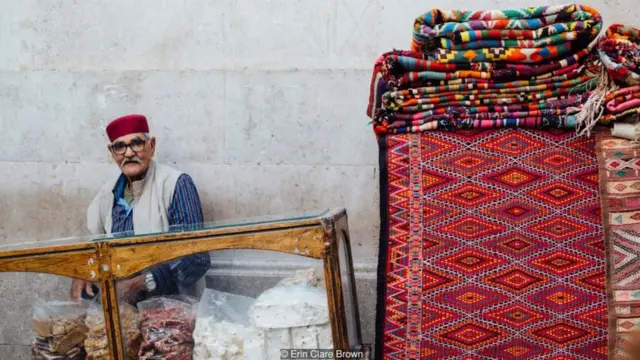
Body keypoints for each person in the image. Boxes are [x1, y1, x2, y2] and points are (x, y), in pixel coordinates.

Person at [70, 114, 210, 304]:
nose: (128, 153)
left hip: (170, 310)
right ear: (112, 152)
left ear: (151, 146)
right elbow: (97, 249)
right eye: (120, 146)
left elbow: (195, 258)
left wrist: (139, 284)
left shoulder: (176, 184)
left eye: (136, 143)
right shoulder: (106, 195)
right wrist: (83, 271)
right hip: (123, 312)